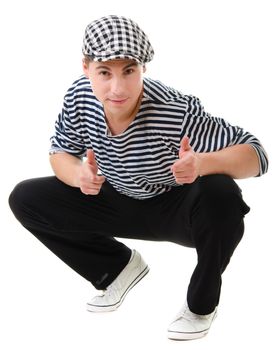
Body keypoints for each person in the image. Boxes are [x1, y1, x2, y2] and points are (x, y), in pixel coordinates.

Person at [8, 15, 268, 341]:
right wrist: (78, 176)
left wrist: (201, 163)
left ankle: (201, 305)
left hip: (175, 209)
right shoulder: (79, 97)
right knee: (26, 198)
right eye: (104, 72)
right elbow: (59, 151)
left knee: (221, 191)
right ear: (86, 67)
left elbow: (257, 156)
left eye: (129, 71)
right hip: (115, 198)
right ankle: (117, 268)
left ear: (143, 68)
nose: (117, 89)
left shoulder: (175, 110)